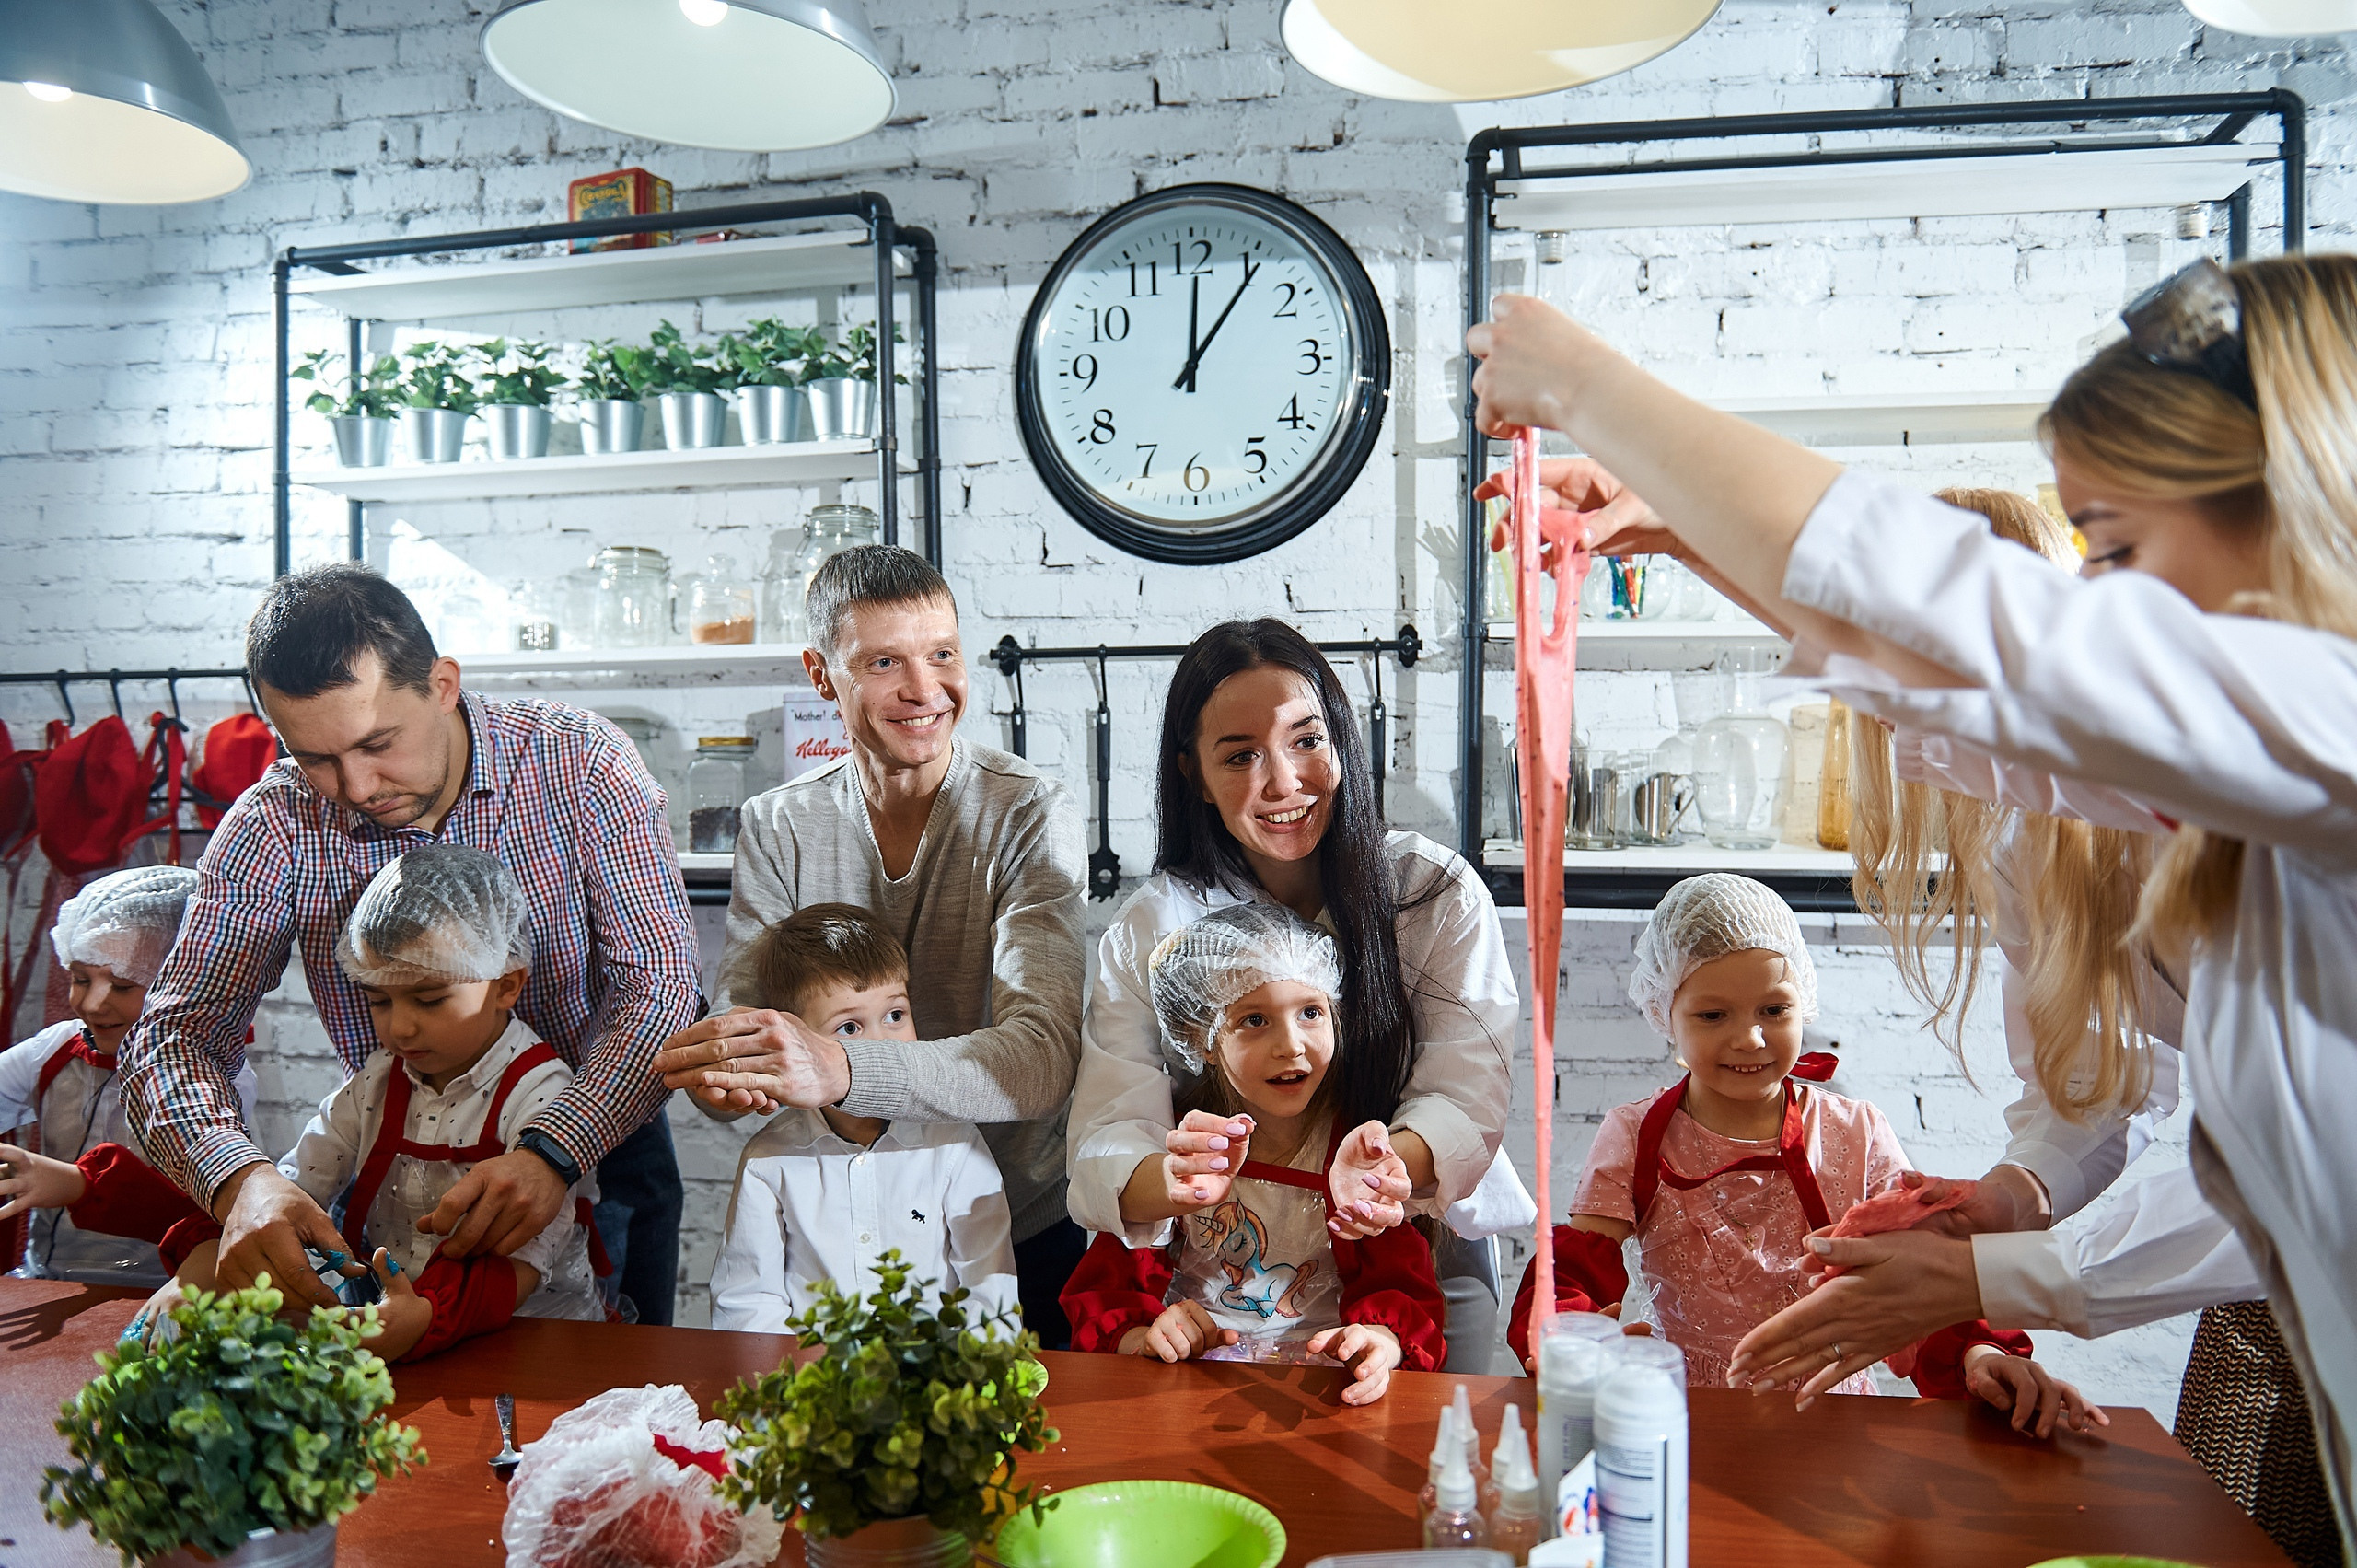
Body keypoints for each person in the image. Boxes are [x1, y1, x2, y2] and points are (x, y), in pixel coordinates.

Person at [1469, 252, 2357, 1538]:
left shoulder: (2326, 729)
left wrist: (1598, 392)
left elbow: (1993, 649)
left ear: (2299, 513)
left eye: (2114, 548)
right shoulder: (2236, 801)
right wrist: (2000, 1208)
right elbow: (1975, 694)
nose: (2100, 609)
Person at [117, 564, 700, 1322]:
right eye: (316, 757)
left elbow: (659, 990)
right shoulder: (275, 821)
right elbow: (174, 1033)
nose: (356, 786)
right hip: (392, 1142)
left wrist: (555, 1148)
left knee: (602, 1410)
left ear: (443, 684)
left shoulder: (580, 762)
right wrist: (241, 1180)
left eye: (377, 743)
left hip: (599, 1142)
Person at [652, 546, 1087, 1343]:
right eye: (885, 662)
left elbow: (1042, 1060)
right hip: (833, 1238)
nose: (925, 690)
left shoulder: (1028, 812)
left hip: (1012, 1234)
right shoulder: (778, 825)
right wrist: (726, 1076)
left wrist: (841, 1068)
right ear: (822, 674)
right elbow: (751, 1025)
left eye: (943, 655)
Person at [1066, 618, 1525, 1372]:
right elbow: (1110, 1131)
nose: (1282, 781)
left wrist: (1375, 1174)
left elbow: (1466, 1094)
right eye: (1240, 755)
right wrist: (1177, 1179)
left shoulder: (1432, 892)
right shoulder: (1156, 922)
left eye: (1306, 739)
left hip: (1413, 1267)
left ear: (1341, 739)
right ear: (1193, 775)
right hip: (1211, 1286)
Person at [1506, 874, 2103, 1435]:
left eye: (1774, 1009)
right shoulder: (1635, 1132)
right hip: (1689, 1422)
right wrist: (1571, 1342)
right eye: (1713, 1014)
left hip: (1839, 1426)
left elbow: (1925, 1270)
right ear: (1665, 1012)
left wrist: (1980, 1350)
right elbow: (1578, 1269)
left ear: (1804, 1002)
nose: (1751, 1037)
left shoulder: (1857, 1129)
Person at [153, 844, 603, 1361]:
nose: (400, 1027)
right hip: (393, 1323)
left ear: (506, 985)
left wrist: (427, 1317)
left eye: (430, 1000)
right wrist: (210, 1256)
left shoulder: (542, 1093)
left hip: (528, 1336)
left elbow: (521, 1262)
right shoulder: (379, 1081)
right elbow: (295, 1186)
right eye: (379, 1001)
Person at [1061, 903, 1446, 1407]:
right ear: (1203, 1039)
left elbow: (1401, 1284)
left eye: (1311, 1012)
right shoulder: (1183, 1148)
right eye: (1255, 1020)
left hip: (1323, 1391)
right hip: (1186, 1386)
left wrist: (1383, 1342)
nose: (1291, 1045)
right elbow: (1111, 1284)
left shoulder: (1354, 1151)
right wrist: (1143, 1336)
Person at [707, 902, 1017, 1333]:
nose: (881, 1045)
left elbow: (990, 1296)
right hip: (814, 1388)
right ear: (796, 1042)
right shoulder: (769, 1160)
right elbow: (747, 1303)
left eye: (895, 1015)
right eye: (849, 1028)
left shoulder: (956, 1144)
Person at [0, 867, 252, 1285]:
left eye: (122, 986)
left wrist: (77, 1184)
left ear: (181, 985)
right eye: (81, 979)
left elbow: (219, 1205)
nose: (94, 1004)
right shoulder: (55, 1050)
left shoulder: (217, 1075)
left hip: (164, 1287)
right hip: (48, 1282)